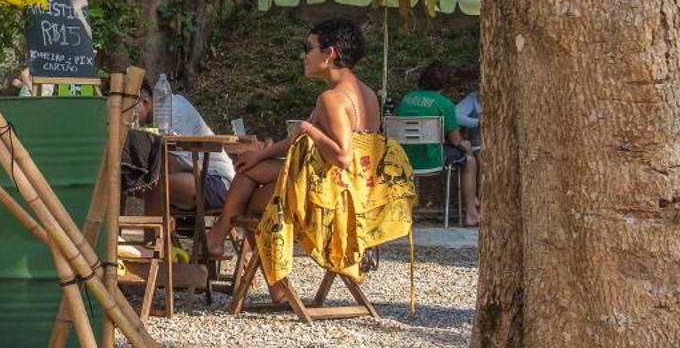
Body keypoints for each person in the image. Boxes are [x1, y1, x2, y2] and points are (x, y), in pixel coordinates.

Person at [201, 18, 383, 266]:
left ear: (329, 53)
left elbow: (341, 156)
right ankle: (219, 236)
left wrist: (309, 130)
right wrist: (260, 154)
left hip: (330, 198)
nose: (303, 56)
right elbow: (306, 142)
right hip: (356, 192)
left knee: (250, 204)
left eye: (308, 48)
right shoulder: (367, 94)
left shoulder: (331, 99)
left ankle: (222, 239)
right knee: (249, 171)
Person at [124, 86, 237, 212]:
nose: (127, 115)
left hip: (218, 183)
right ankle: (156, 231)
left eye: (129, 109)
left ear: (145, 102)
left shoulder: (173, 109)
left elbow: (170, 165)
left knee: (153, 184)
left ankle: (153, 232)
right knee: (140, 182)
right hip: (195, 177)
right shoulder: (161, 115)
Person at [394, 64, 479, 226]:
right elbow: (455, 141)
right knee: (469, 160)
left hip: (402, 159)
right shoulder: (444, 103)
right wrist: (466, 144)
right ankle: (471, 213)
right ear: (445, 84)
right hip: (432, 160)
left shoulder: (406, 98)